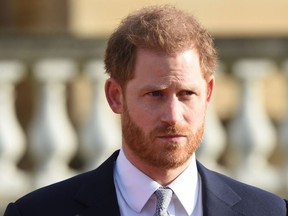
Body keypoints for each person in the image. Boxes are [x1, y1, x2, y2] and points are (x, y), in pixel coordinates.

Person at [4, 5, 288, 216]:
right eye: (155, 94)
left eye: (187, 94)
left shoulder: (270, 212)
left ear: (208, 94)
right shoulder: (37, 212)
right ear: (115, 96)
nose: (173, 116)